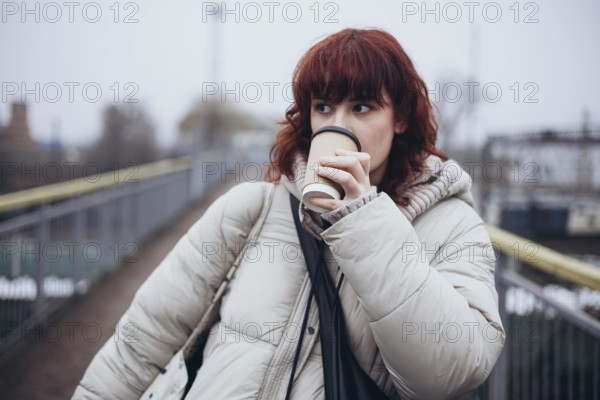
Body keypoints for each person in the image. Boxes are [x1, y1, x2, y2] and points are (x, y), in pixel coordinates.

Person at [73, 28, 505, 400]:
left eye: (361, 107)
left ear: (401, 118)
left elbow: (450, 370)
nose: (340, 125)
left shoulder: (450, 225)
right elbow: (144, 338)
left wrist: (364, 221)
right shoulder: (253, 209)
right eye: (324, 108)